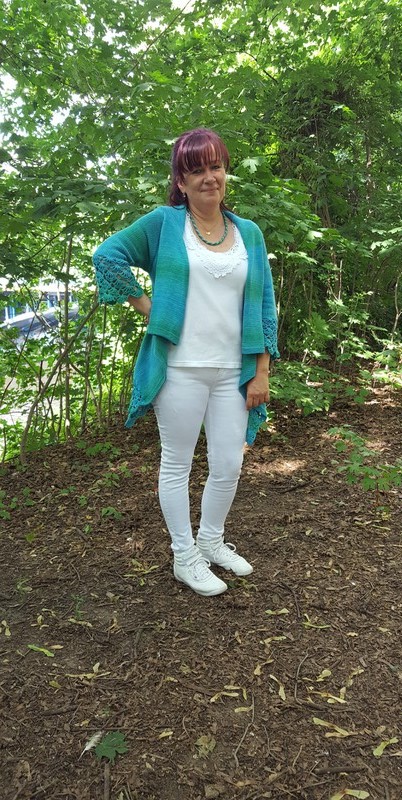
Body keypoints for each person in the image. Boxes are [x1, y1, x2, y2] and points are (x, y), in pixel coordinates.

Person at [93, 128, 279, 597]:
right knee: (176, 464)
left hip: (233, 370)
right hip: (179, 369)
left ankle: (211, 541)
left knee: (228, 464)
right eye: (196, 170)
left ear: (225, 172)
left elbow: (264, 306)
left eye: (215, 167)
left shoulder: (248, 233)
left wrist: (261, 370)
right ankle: (184, 555)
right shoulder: (164, 224)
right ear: (180, 181)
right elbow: (107, 255)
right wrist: (149, 307)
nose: (209, 177)